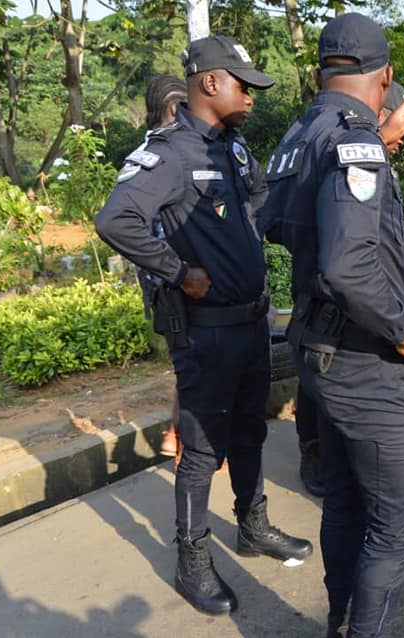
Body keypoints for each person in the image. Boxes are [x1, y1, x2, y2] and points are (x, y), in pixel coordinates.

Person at [95, 36, 312, 616]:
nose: (251, 95)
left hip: (249, 323)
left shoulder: (234, 149)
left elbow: (261, 203)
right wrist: (177, 270)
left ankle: (253, 524)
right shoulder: (168, 153)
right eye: (243, 84)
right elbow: (116, 218)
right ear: (209, 83)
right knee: (201, 449)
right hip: (207, 330)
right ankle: (192, 558)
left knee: (250, 432)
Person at [260, 13, 404, 636]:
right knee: (398, 529)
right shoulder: (353, 136)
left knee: (345, 501)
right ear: (385, 76)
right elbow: (347, 264)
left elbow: (273, 218)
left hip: (319, 349)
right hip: (366, 360)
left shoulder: (304, 130)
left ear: (318, 73)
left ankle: (339, 618)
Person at [290, 80, 404, 509]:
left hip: (380, 312)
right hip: (341, 323)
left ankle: (395, 478)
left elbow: (393, 228)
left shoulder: (378, 159)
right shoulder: (348, 151)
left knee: (374, 430)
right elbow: (346, 260)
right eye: (402, 118)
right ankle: (318, 457)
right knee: (335, 408)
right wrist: (403, 332)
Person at [134, 74, 188, 461]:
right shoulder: (167, 156)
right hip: (178, 284)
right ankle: (188, 441)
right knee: (196, 365)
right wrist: (182, 274)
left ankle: (176, 433)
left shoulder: (141, 154)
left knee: (187, 364)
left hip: (159, 285)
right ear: (173, 109)